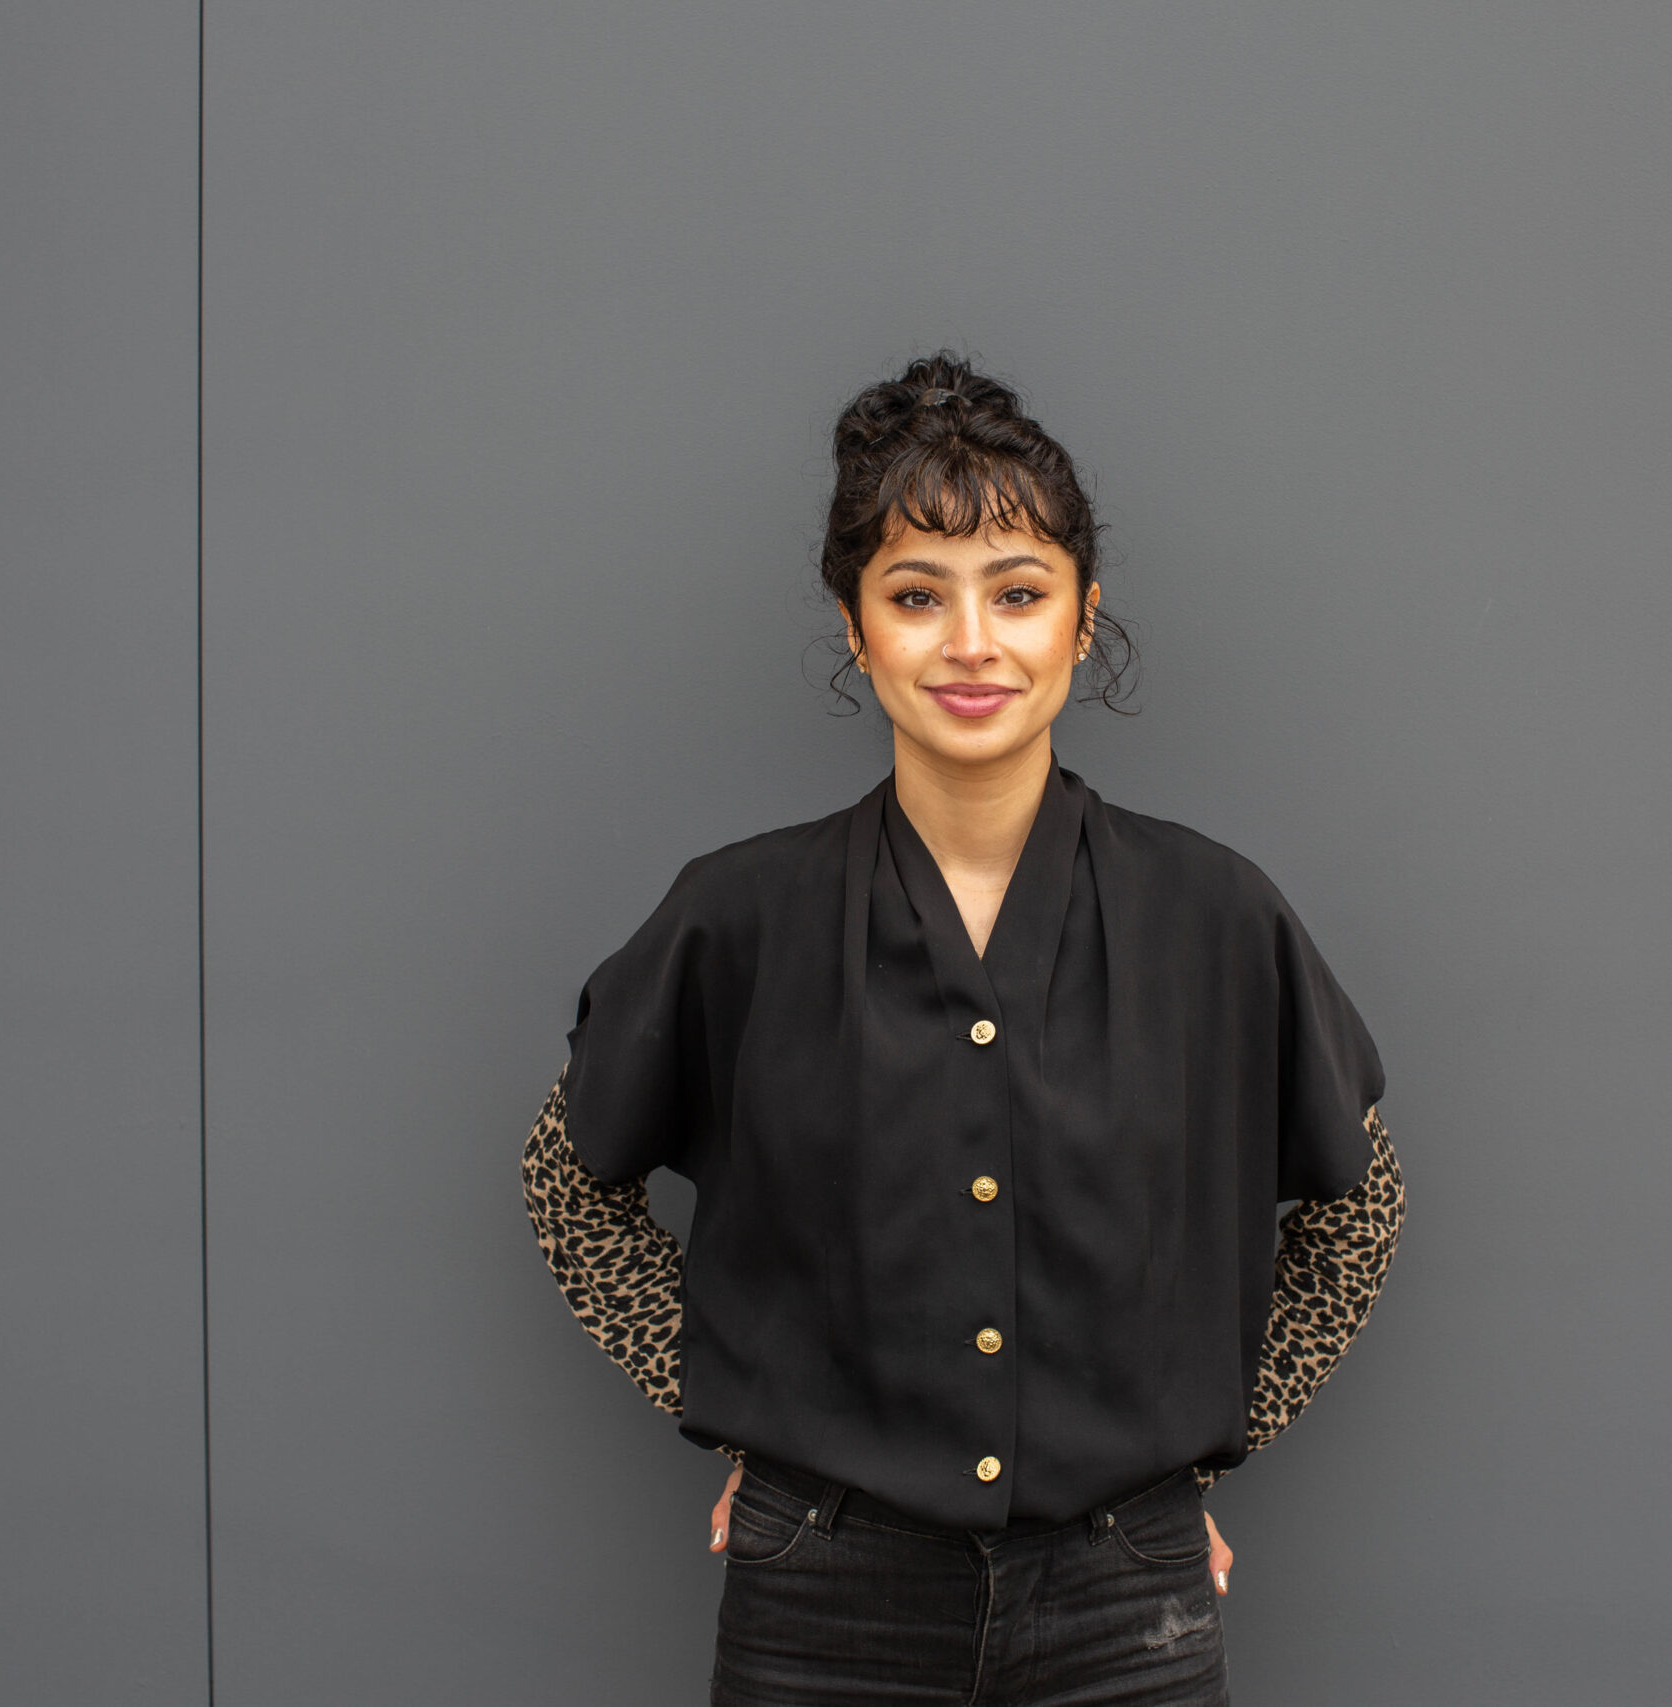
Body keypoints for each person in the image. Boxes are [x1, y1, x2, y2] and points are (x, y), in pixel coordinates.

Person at [522, 352, 1406, 1705]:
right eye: (918, 595)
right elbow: (568, 1182)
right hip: (821, 1603)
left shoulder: (1217, 917)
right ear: (856, 626)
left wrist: (1197, 1451)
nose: (973, 643)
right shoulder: (738, 918)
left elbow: (1361, 1207)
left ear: (1084, 620)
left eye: (1020, 593)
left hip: (1128, 1603)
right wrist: (742, 1413)